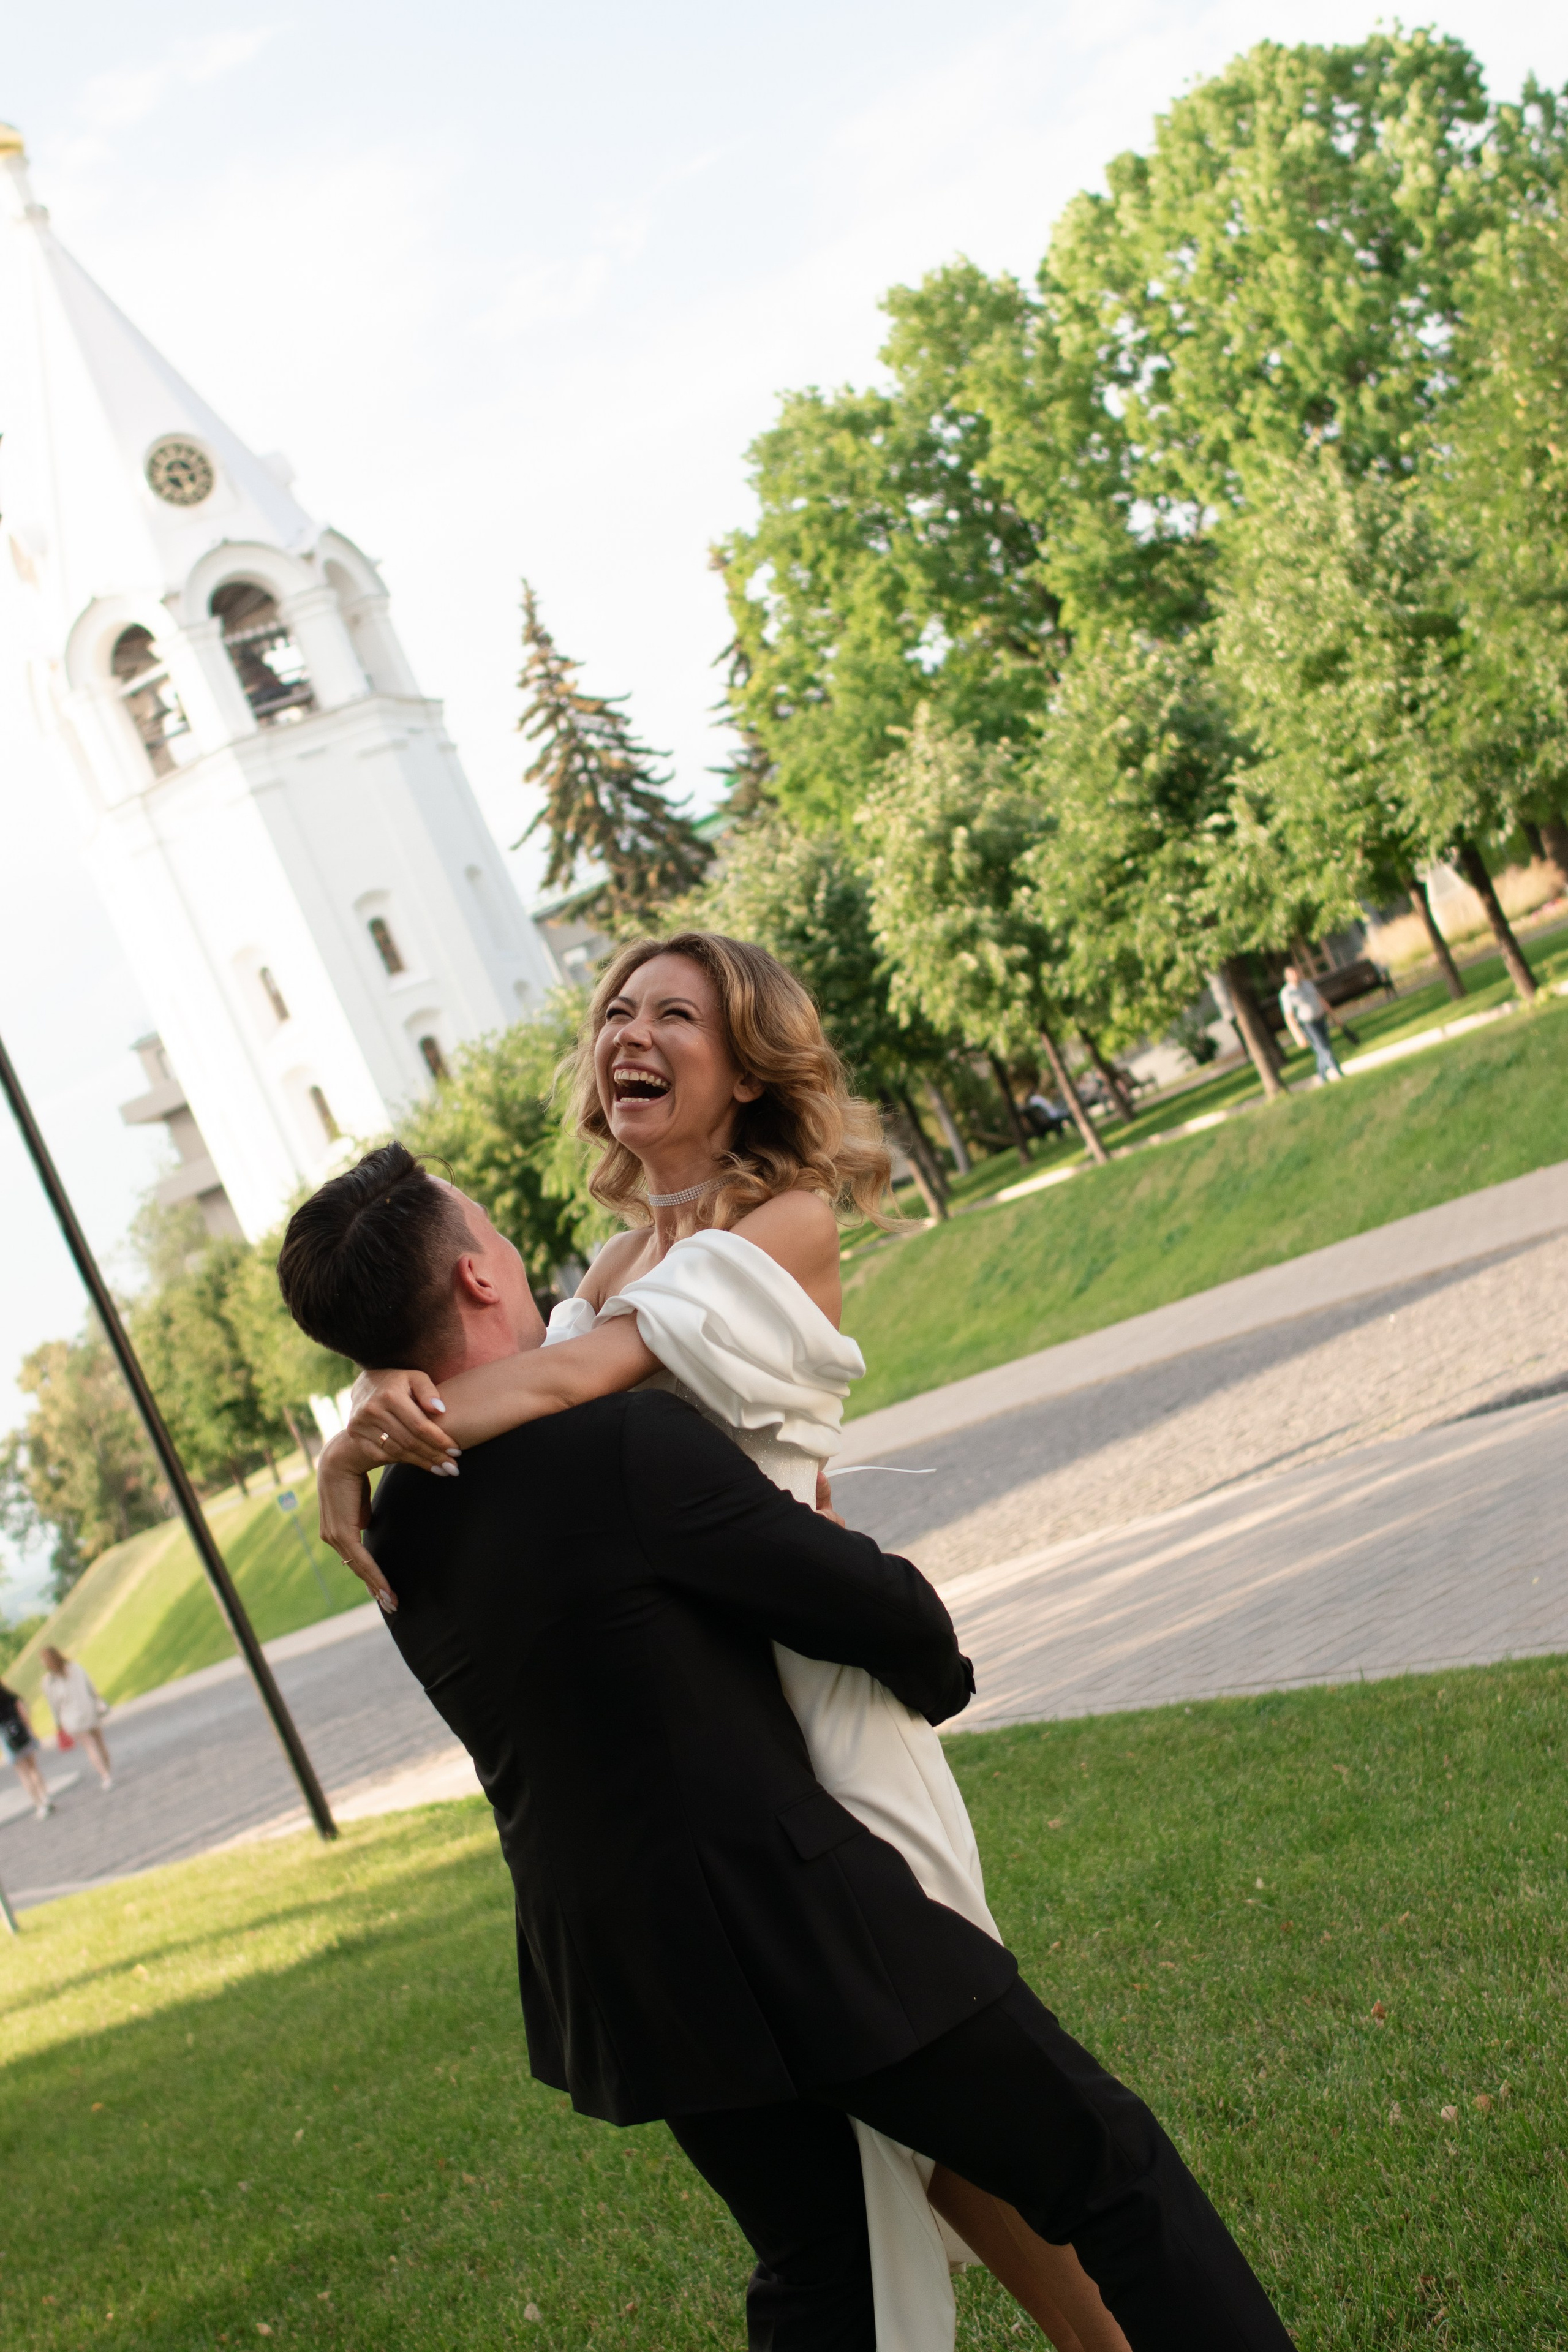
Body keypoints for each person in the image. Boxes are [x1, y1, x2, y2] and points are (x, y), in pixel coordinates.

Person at [291, 946, 1294, 2352]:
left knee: (944, 2116)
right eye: (615, 1012)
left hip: (807, 1701)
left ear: (746, 1064)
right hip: (734, 1726)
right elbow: (533, 1370)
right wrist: (368, 1396)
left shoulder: (775, 1227)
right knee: (952, 2121)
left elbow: (569, 1378)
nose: (628, 1032)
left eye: (672, 1014)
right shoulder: (604, 1270)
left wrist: (357, 1437)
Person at [39, 1646, 113, 1789]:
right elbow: (90, 1686)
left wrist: (58, 1723)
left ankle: (105, 1776)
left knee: (90, 1747)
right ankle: (108, 1772)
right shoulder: (75, 1668)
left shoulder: (49, 1681)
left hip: (72, 1718)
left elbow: (54, 1705)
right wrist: (98, 1701)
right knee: (100, 1743)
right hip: (89, 1709)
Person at [1278, 965, 1343, 1084]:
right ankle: (1338, 1072)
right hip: (1308, 1025)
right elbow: (1289, 1017)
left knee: (1323, 1049)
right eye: (1292, 974)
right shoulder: (1287, 993)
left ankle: (1322, 1078)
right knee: (1324, 1049)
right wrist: (1298, 1036)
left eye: (1296, 972)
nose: (1295, 975)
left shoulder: (1308, 984)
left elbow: (1320, 999)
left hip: (1320, 1019)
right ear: (1286, 977)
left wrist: (1334, 1016)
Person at [0, 1679, 53, 1817]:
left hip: (8, 1743)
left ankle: (39, 1804)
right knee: (33, 1769)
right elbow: (24, 1717)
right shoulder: (12, 1698)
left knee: (23, 1774)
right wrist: (32, 1733)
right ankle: (45, 1797)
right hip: (23, 1736)